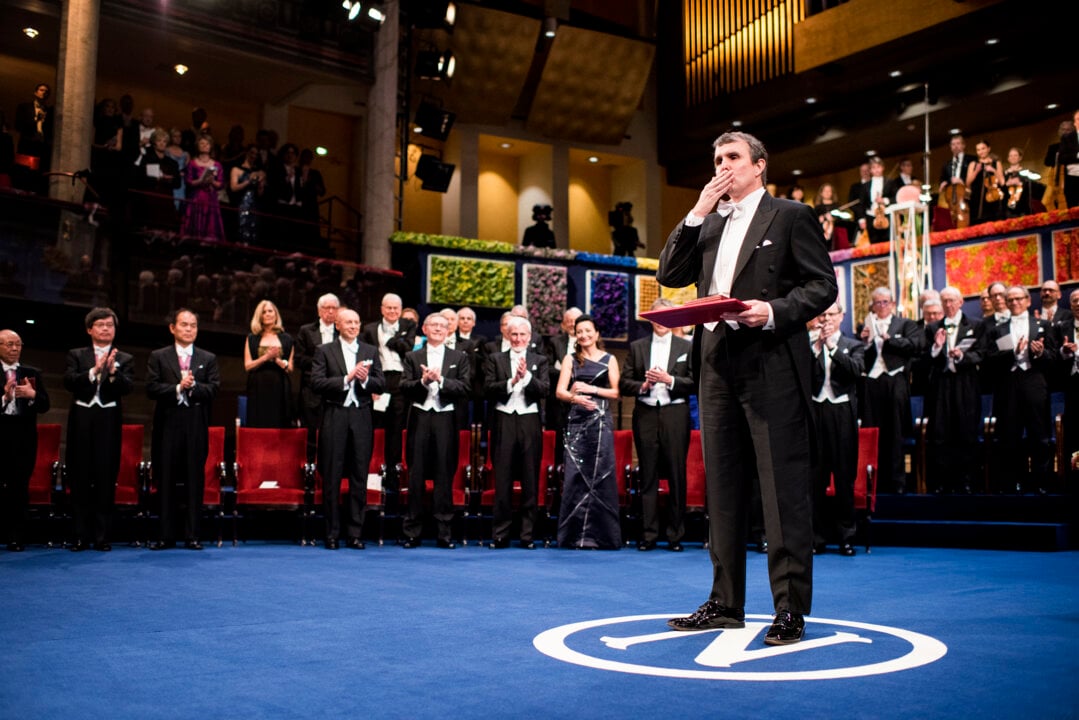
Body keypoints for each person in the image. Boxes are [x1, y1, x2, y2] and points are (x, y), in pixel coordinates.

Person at [657, 130, 837, 645]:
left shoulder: (790, 215)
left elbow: (822, 284)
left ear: (759, 165)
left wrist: (774, 311)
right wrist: (696, 210)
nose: (723, 166)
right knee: (724, 489)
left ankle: (788, 609)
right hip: (715, 364)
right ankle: (725, 601)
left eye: (732, 158)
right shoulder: (709, 222)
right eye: (717, 159)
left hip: (771, 361)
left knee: (781, 492)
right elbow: (671, 274)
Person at [620, 299, 694, 552]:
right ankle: (648, 535)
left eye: (667, 317)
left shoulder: (686, 346)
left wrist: (669, 379)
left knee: (676, 474)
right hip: (646, 413)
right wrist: (643, 385)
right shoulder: (638, 346)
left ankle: (675, 536)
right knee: (648, 475)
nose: (661, 322)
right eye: (657, 317)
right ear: (650, 319)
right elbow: (623, 382)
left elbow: (695, 381)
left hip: (675, 413)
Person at [311, 307, 385, 550]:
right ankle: (331, 534)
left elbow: (380, 384)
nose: (353, 326)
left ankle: (355, 533)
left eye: (356, 322)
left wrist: (364, 380)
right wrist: (347, 378)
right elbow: (317, 383)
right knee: (331, 475)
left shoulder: (370, 351)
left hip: (362, 415)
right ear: (338, 325)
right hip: (335, 414)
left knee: (359, 475)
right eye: (348, 322)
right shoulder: (324, 351)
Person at [146, 309, 220, 550]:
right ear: (172, 328)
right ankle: (165, 535)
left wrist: (194, 386)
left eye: (193, 325)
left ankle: (192, 535)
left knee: (194, 479)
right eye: (184, 325)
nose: (189, 329)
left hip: (195, 423)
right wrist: (177, 388)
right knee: (165, 479)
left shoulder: (207, 358)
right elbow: (151, 388)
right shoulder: (159, 356)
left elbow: (213, 390)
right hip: (168, 423)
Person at [63, 308, 134, 552]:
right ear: (89, 329)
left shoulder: (124, 358)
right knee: (80, 478)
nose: (106, 328)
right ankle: (80, 536)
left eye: (110, 325)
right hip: (82, 418)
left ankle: (103, 537)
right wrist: (94, 370)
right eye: (100, 324)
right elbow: (69, 382)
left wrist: (113, 372)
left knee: (106, 479)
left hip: (109, 420)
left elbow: (128, 388)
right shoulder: (77, 355)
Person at [400, 313, 470, 549]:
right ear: (425, 329)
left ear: (449, 330)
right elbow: (404, 387)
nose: (439, 328)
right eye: (434, 325)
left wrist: (440, 381)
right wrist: (423, 383)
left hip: (445, 419)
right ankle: (412, 532)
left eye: (443, 325)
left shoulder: (459, 357)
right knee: (416, 475)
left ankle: (444, 533)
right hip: (419, 417)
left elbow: (464, 387)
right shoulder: (412, 356)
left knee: (444, 475)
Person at [554, 314, 622, 549]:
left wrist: (591, 389)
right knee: (574, 476)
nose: (583, 335)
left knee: (601, 475)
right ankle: (573, 537)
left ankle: (603, 537)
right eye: (579, 331)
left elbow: (616, 392)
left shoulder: (610, 359)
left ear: (596, 333)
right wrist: (576, 398)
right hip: (577, 422)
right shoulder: (570, 359)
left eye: (587, 331)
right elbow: (560, 392)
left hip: (600, 422)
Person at [483, 316, 549, 549]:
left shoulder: (539, 360)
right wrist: (512, 381)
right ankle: (500, 534)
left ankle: (527, 536)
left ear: (529, 337)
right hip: (503, 420)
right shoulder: (495, 359)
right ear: (507, 336)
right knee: (503, 480)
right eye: (514, 334)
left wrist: (527, 377)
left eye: (523, 335)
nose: (518, 338)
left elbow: (544, 390)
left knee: (530, 479)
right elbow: (488, 388)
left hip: (530, 421)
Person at [983, 286, 1056, 494]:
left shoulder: (1043, 325)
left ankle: (1041, 482)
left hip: (1034, 383)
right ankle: (1014, 482)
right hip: (1008, 386)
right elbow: (989, 361)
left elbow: (1053, 359)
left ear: (1027, 300)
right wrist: (1012, 354)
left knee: (1039, 435)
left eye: (1018, 299)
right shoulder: (998, 329)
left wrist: (1041, 354)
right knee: (1010, 437)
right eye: (1010, 299)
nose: (1014, 302)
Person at [809, 301, 864, 555]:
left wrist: (832, 348)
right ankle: (816, 538)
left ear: (842, 316)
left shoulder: (853, 345)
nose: (827, 319)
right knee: (816, 480)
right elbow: (805, 378)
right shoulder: (811, 345)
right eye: (823, 314)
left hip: (842, 414)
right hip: (818, 412)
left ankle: (846, 537)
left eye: (832, 314)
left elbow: (855, 372)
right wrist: (817, 348)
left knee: (844, 479)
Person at [859, 286, 923, 494]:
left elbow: (916, 345)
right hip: (872, 382)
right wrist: (865, 342)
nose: (881, 306)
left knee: (895, 432)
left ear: (893, 304)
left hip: (895, 380)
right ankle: (874, 483)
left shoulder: (905, 324)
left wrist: (890, 340)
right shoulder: (866, 325)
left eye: (885, 302)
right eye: (877, 302)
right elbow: (860, 355)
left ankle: (897, 483)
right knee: (873, 431)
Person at [924, 286, 984, 495]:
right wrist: (937, 348)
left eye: (952, 300)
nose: (948, 305)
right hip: (941, 386)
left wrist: (961, 356)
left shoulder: (976, 325)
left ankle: (967, 481)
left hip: (966, 384)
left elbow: (982, 353)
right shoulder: (932, 328)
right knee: (941, 433)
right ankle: (942, 482)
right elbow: (925, 359)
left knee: (966, 432)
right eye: (944, 301)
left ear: (961, 302)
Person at [0, 329, 51, 552]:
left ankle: (16, 537)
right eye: (9, 344)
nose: (14, 348)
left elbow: (45, 405)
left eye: (18, 344)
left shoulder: (31, 373)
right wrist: (5, 398)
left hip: (23, 436)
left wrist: (32, 396)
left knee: (19, 487)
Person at [360, 293, 417, 486]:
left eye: (396, 309)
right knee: (376, 425)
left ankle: (393, 474)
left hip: (400, 380)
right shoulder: (369, 329)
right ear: (382, 309)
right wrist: (372, 384)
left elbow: (408, 349)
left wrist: (392, 340)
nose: (392, 312)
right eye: (389, 308)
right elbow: (365, 355)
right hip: (379, 379)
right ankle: (372, 471)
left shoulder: (408, 326)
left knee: (396, 427)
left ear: (401, 311)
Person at [295, 293, 340, 461]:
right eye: (326, 308)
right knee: (311, 432)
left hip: (335, 389)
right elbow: (299, 359)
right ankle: (309, 469)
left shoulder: (341, 331)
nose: (330, 311)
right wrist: (322, 361)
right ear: (319, 310)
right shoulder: (306, 331)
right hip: (312, 389)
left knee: (333, 432)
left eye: (333, 308)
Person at [243, 300, 295, 428]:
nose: (267, 314)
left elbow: (290, 368)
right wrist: (266, 357)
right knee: (259, 421)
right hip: (258, 387)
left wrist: (277, 359)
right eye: (264, 312)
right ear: (259, 316)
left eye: (270, 311)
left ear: (276, 314)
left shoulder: (287, 339)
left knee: (279, 422)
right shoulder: (252, 338)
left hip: (280, 387)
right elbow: (248, 366)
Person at [181, 134, 226, 242]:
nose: (205, 146)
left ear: (211, 146)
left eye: (207, 144)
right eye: (202, 143)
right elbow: (188, 181)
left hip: (211, 199)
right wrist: (200, 180)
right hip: (196, 198)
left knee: (210, 225)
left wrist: (212, 181)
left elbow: (221, 184)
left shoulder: (217, 165)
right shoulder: (192, 163)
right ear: (197, 146)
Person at [135, 128, 181, 229]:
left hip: (166, 199)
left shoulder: (172, 163)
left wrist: (169, 179)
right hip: (150, 198)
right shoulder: (147, 158)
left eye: (164, 141)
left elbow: (178, 183)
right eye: (159, 141)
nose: (162, 143)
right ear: (154, 142)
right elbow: (139, 178)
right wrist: (156, 179)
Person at [229, 145, 266, 246]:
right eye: (252, 153)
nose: (253, 156)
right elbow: (233, 187)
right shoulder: (236, 169)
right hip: (240, 203)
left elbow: (260, 193)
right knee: (240, 228)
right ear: (246, 153)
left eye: (256, 154)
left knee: (253, 229)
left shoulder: (258, 171)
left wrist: (261, 183)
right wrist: (249, 181)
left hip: (254, 205)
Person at [965, 139, 1004, 225]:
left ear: (988, 149)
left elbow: (1002, 181)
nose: (981, 151)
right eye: (978, 150)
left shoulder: (996, 163)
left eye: (983, 148)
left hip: (992, 197)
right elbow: (967, 182)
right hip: (977, 199)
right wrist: (976, 171)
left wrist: (993, 170)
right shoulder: (973, 164)